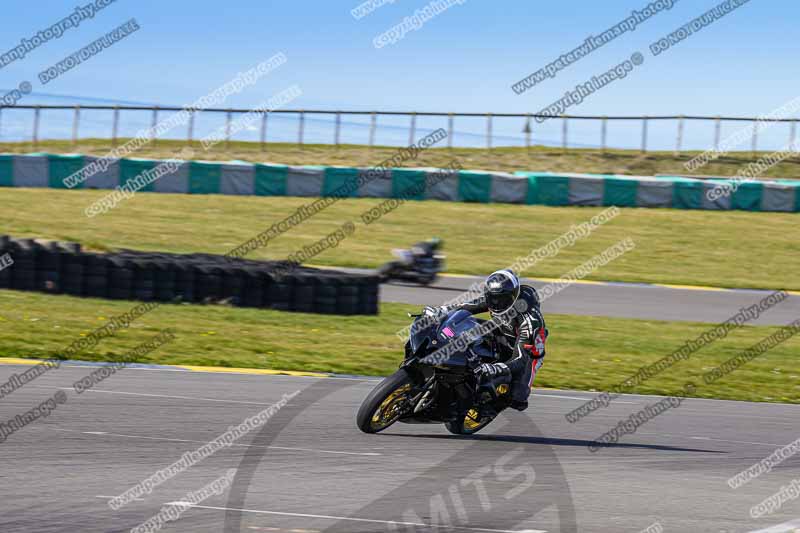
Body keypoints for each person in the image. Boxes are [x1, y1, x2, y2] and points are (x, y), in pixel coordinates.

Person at [428, 269, 547, 411]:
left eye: (501, 299)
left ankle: (487, 405)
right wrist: (441, 310)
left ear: (513, 297)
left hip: (527, 351)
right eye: (491, 297)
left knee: (518, 398)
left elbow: (520, 359)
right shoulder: (497, 297)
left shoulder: (529, 321)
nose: (496, 303)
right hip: (503, 332)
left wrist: (497, 368)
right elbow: (468, 306)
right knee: (467, 324)